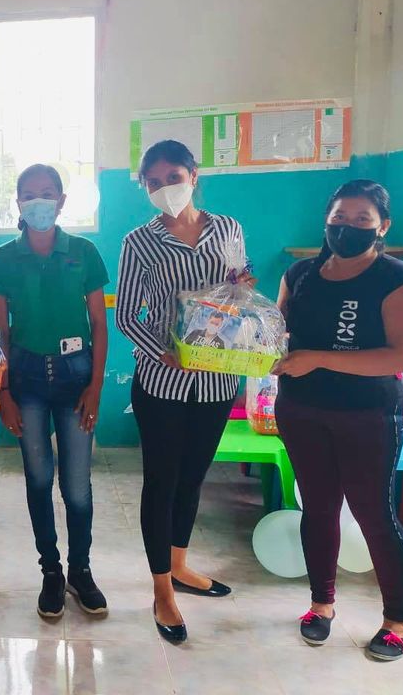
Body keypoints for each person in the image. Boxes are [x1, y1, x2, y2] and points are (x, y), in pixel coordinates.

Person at [274, 180, 403, 661]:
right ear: (326, 220)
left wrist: (319, 358)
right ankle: (321, 605)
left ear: (383, 227)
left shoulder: (398, 279)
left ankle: (397, 621)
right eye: (340, 217)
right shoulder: (300, 274)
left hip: (367, 415)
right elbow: (276, 335)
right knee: (318, 509)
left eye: (362, 219)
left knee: (374, 514)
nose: (348, 227)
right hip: (301, 410)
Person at [116, 140, 251, 643]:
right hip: (163, 383)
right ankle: (162, 591)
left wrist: (244, 290)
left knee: (192, 480)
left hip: (217, 380)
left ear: (194, 176)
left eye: (172, 177)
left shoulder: (228, 229)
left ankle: (179, 566)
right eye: (153, 182)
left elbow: (239, 289)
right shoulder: (139, 242)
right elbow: (127, 315)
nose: (164, 188)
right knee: (162, 482)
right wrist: (164, 352)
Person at [0, 164, 109, 619]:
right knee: (38, 479)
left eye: (47, 193)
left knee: (76, 487)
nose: (39, 201)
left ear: (61, 201)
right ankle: (51, 571)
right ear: (18, 203)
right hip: (26, 379)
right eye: (29, 194)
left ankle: (80, 570)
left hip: (77, 377)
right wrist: (3, 395)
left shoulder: (83, 251)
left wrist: (96, 387)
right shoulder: (3, 258)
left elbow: (98, 324)